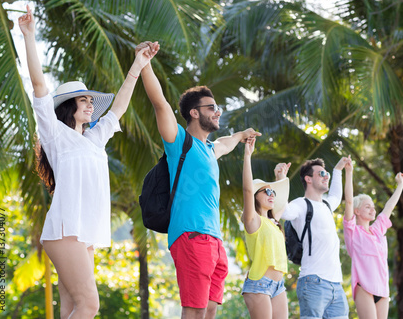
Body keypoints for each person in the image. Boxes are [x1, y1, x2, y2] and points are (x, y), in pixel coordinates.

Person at [19, 5, 157, 318]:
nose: (91, 105)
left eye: (91, 101)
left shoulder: (94, 140)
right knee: (89, 305)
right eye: (85, 100)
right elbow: (39, 88)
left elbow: (119, 108)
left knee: (70, 307)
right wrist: (29, 36)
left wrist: (138, 64)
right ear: (68, 106)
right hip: (66, 229)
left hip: (85, 233)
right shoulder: (54, 134)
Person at [136, 41, 261, 319]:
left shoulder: (209, 149)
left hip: (215, 241)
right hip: (192, 236)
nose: (218, 112)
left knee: (210, 311)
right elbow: (160, 103)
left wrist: (242, 135)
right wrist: (145, 64)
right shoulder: (180, 140)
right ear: (194, 112)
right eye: (211, 107)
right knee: (194, 311)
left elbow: (227, 143)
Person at [281, 156, 351, 319]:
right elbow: (284, 212)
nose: (326, 176)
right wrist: (282, 180)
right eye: (321, 173)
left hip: (336, 285)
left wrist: (338, 170)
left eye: (326, 173)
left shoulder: (327, 205)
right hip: (314, 282)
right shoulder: (300, 204)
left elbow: (335, 195)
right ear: (308, 179)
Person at [343, 159, 403, 319]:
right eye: (367, 206)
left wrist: (400, 186)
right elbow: (349, 200)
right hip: (364, 287)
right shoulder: (352, 231)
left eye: (373, 206)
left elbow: (389, 207)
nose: (372, 209)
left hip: (382, 289)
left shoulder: (377, 230)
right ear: (356, 211)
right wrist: (349, 172)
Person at [241, 137, 291, 318]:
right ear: (256, 195)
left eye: (273, 192)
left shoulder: (273, 221)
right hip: (259, 284)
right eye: (267, 191)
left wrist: (281, 178)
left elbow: (282, 202)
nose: (272, 195)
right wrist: (247, 155)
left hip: (278, 285)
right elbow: (247, 190)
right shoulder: (253, 220)